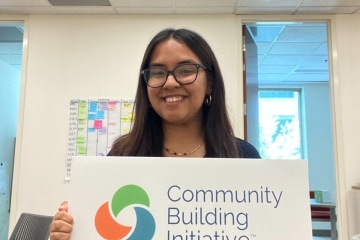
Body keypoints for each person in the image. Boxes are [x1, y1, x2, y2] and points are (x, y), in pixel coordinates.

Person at [49, 28, 261, 240]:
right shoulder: (123, 156)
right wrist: (71, 232)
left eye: (186, 70)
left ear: (211, 83)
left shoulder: (242, 156)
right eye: (158, 73)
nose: (170, 83)